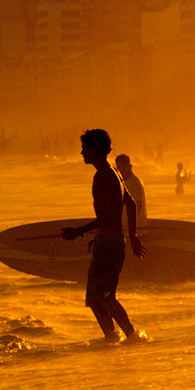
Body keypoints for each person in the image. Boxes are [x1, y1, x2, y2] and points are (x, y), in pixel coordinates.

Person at [61, 129, 145, 342]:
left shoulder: (103, 176)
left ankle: (127, 336)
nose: (81, 153)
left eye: (84, 148)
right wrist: (132, 237)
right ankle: (118, 338)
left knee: (102, 298)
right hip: (114, 241)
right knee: (99, 298)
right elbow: (131, 204)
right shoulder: (114, 172)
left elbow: (108, 216)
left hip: (108, 243)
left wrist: (78, 231)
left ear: (95, 150)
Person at [115, 154, 147, 229]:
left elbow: (137, 206)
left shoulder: (135, 183)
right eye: (119, 168)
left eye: (124, 167)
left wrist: (127, 224)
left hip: (135, 229)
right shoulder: (124, 182)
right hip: (127, 228)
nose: (121, 170)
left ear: (130, 167)